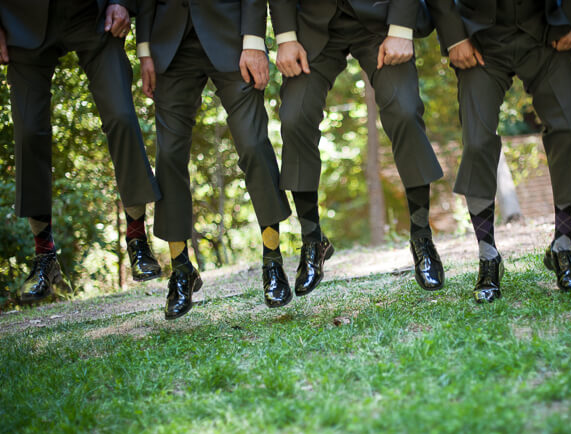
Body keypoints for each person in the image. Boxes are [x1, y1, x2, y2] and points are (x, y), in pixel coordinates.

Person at [270, 0, 446, 296]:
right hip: (312, 25)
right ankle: (313, 240)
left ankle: (421, 235)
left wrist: (401, 28)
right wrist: (286, 37)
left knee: (404, 110)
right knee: (295, 118)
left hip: (381, 20)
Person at [427, 0, 571, 302]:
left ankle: (562, 246)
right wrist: (454, 36)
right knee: (477, 142)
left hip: (546, 33)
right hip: (480, 39)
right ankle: (488, 256)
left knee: (569, 130)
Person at [136, 0, 293, 319]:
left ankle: (273, 259)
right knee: (168, 156)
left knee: (252, 143)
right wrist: (144, 49)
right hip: (170, 43)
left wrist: (253, 39)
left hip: (232, 36)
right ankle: (181, 269)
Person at [0, 0, 163, 305]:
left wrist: (123, 2)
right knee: (28, 132)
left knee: (121, 116)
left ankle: (137, 237)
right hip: (21, 19)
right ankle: (44, 257)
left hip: (93, 14)